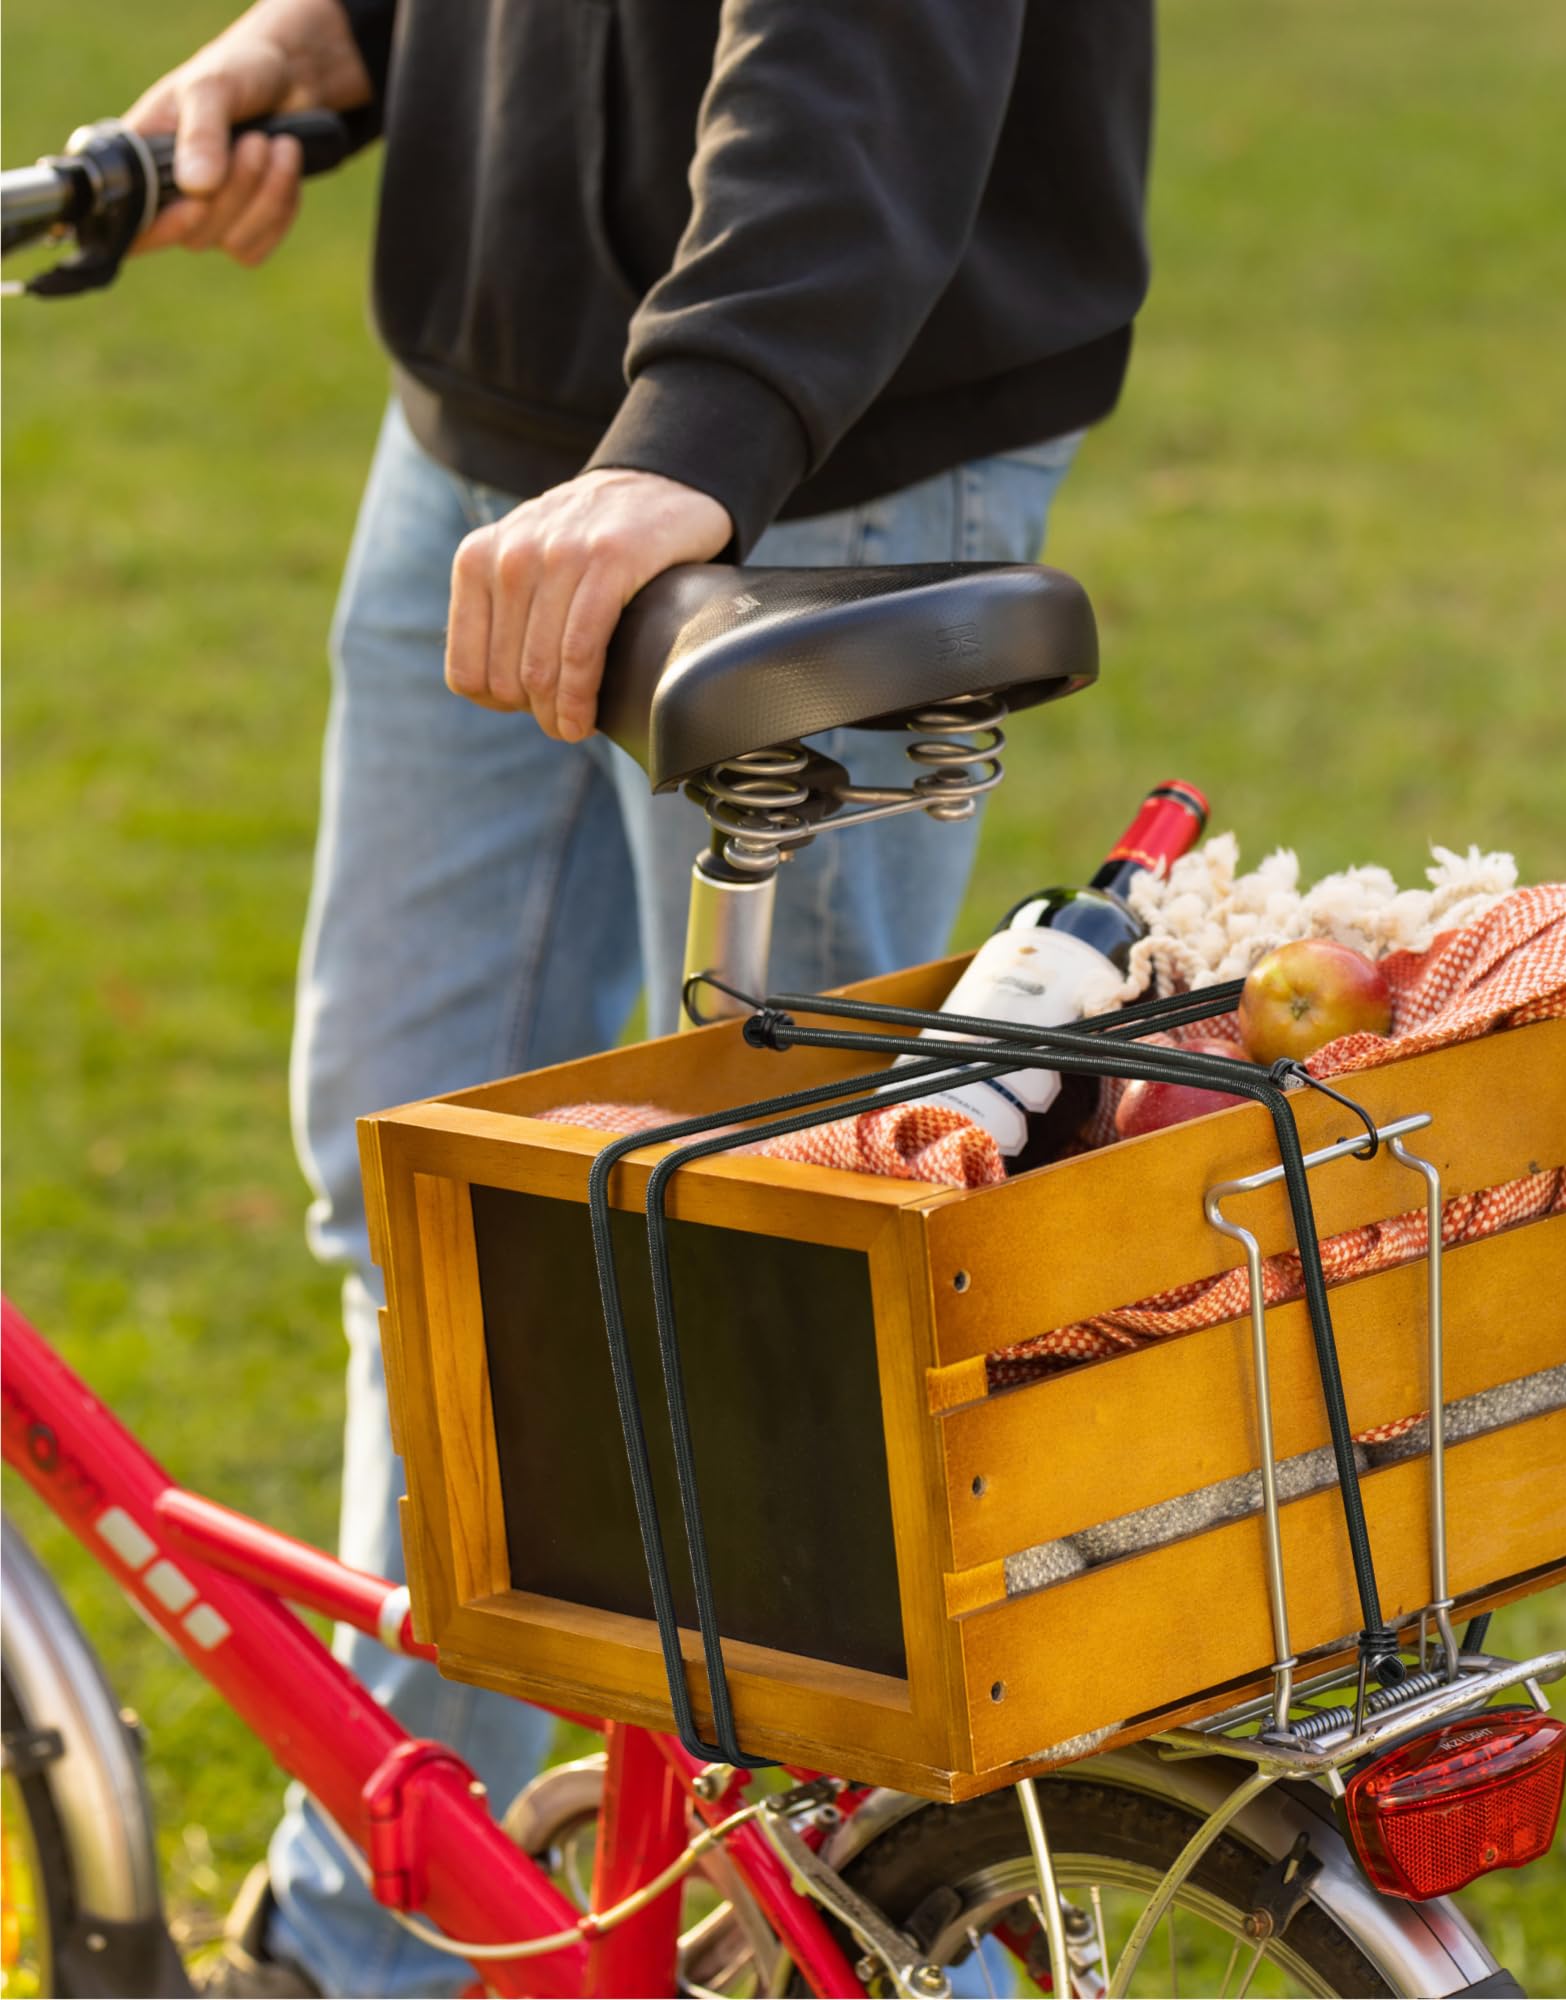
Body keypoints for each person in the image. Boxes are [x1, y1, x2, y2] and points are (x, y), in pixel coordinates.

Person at [125, 0, 1152, 1991]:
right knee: (416, 1200)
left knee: (806, 1309)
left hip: (808, 439)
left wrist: (701, 431)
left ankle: (907, 1960)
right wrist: (336, 32)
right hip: (498, 429)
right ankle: (390, 1929)